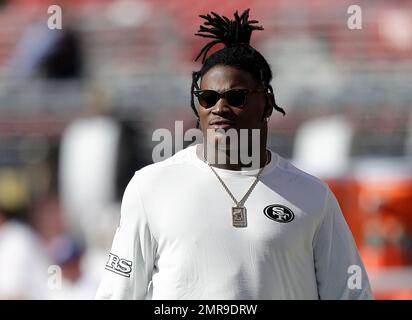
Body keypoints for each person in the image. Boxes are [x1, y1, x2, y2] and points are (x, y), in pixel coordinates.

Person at [96, 9, 373, 300]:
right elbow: (118, 295)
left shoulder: (313, 196)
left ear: (267, 104)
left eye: (236, 97)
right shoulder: (149, 186)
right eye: (208, 98)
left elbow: (350, 295)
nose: (219, 108)